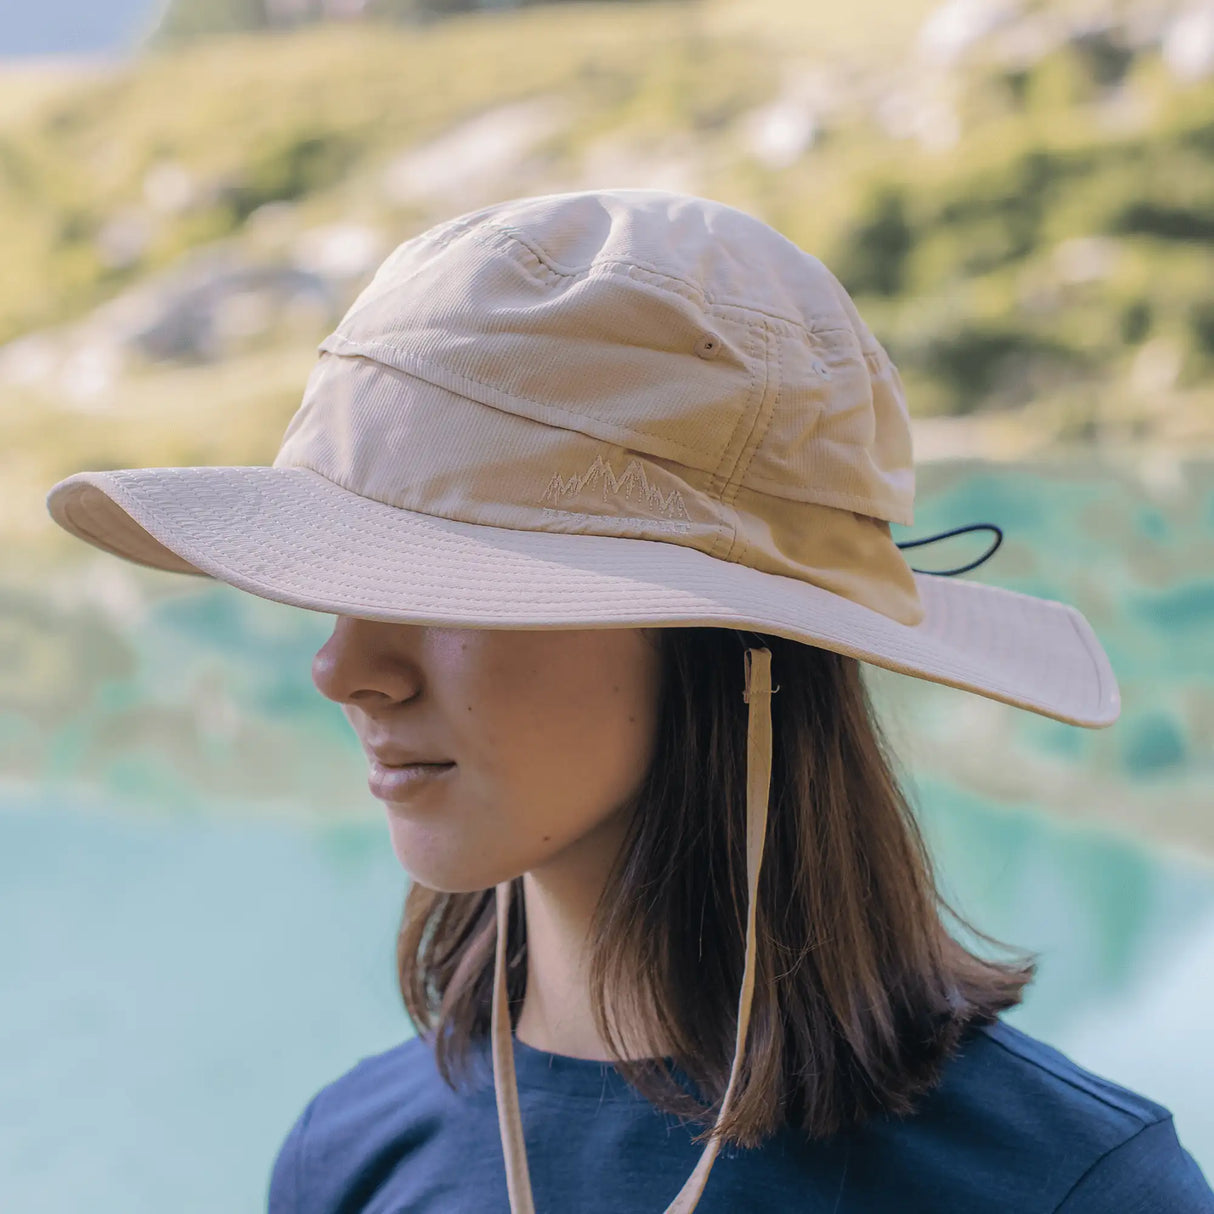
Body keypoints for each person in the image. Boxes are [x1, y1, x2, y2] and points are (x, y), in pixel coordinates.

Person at [45, 189, 1213, 1213]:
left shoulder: (1068, 1188)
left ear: (735, 646)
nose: (345, 669)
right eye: (337, 586)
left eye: (448, 583)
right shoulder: (348, 1159)